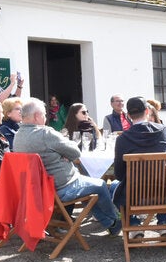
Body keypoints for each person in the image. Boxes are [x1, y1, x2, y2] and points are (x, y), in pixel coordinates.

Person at [14, 98, 121, 236]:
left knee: (90, 190)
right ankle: (115, 221)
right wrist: (61, 155)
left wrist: (59, 155)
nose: (46, 117)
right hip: (61, 188)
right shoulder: (45, 133)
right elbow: (75, 152)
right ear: (36, 116)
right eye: (44, 115)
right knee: (100, 185)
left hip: (36, 190)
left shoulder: (18, 136)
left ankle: (110, 223)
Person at [112, 96, 166, 230]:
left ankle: (134, 225)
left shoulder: (122, 139)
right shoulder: (163, 131)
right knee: (161, 178)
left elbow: (119, 174)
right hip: (164, 192)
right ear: (147, 111)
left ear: (128, 115)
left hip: (134, 195)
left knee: (116, 186)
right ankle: (164, 223)